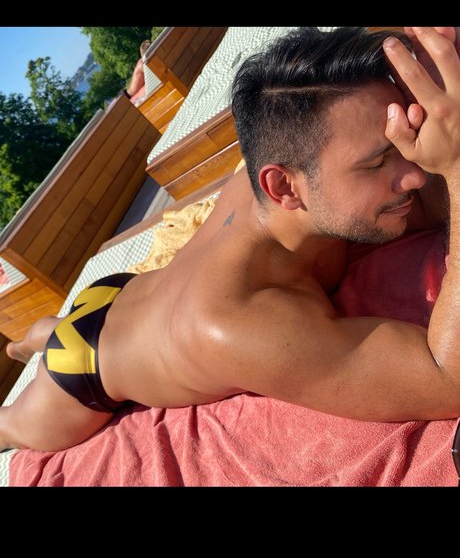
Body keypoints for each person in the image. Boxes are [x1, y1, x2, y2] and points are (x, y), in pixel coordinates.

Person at [1, 26, 459, 453]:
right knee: (12, 426)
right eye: (377, 163)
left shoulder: (288, 164)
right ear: (282, 186)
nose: (416, 174)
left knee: (59, 330)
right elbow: (446, 379)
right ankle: (29, 345)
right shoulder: (245, 323)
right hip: (83, 364)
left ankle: (39, 335)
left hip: (124, 292)